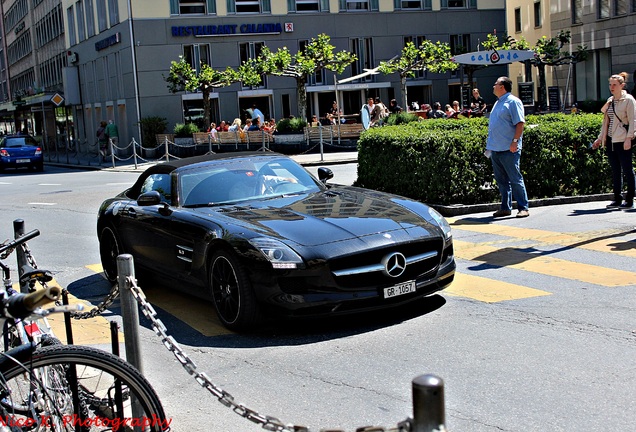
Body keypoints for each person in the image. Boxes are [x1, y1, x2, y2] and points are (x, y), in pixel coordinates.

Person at [486, 76, 530, 218]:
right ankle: (505, 207)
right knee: (502, 181)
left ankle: (523, 207)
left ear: (502, 87)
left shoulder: (513, 102)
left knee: (515, 178)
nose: (493, 86)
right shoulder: (498, 102)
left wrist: (515, 141)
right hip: (496, 148)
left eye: (495, 84)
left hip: (509, 148)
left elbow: (520, 123)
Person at [592, 72, 636, 209]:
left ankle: (630, 199)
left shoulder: (629, 100)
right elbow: (606, 122)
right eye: (610, 84)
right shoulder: (610, 100)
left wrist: (629, 138)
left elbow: (633, 120)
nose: (612, 87)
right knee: (615, 170)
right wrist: (600, 138)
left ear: (622, 85)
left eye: (614, 85)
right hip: (611, 139)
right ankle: (617, 198)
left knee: (627, 169)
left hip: (623, 139)